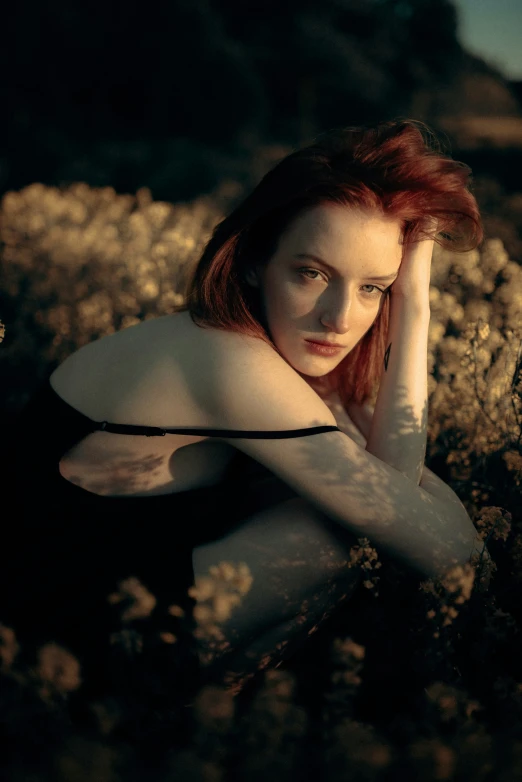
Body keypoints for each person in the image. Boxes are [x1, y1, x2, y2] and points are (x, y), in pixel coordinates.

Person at [2, 119, 490, 723]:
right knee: (340, 533)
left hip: (100, 607)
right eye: (312, 273)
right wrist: (414, 307)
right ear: (257, 261)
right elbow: (444, 547)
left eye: (373, 289)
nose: (341, 317)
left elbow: (389, 486)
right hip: (39, 645)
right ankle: (171, 725)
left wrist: (411, 296)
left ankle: (192, 725)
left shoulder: (277, 353)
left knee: (350, 517)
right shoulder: (229, 359)